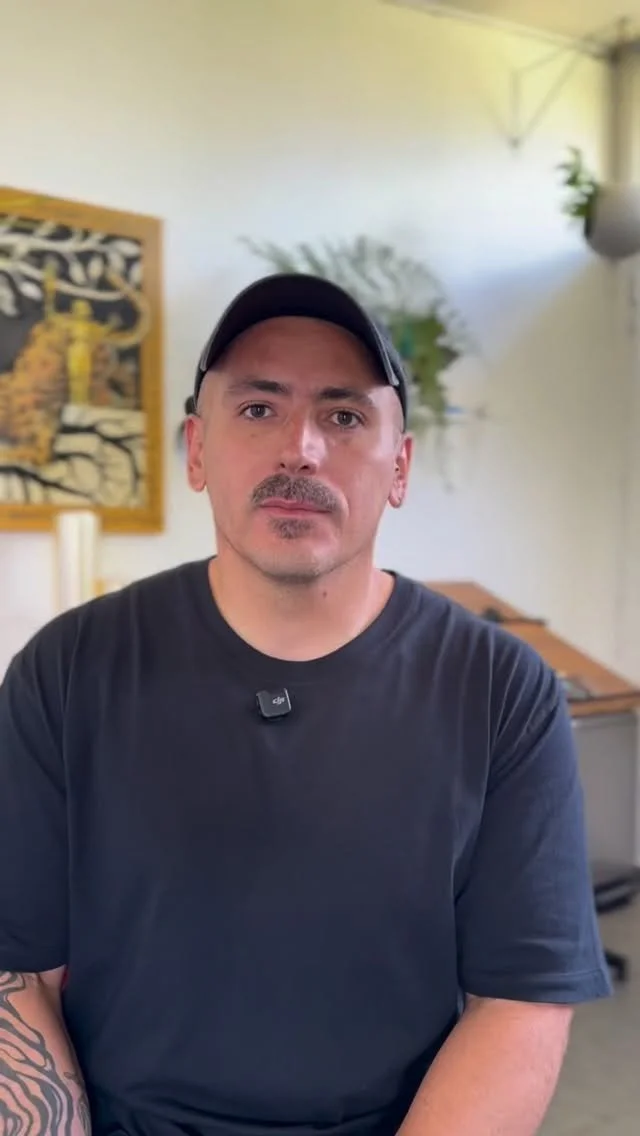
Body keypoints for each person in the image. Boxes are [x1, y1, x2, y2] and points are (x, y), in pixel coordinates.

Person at [0, 272, 612, 1136]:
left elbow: (521, 1001)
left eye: (345, 416)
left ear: (399, 467)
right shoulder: (68, 669)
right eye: (258, 409)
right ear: (197, 449)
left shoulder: (500, 689)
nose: (301, 450)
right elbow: (15, 975)